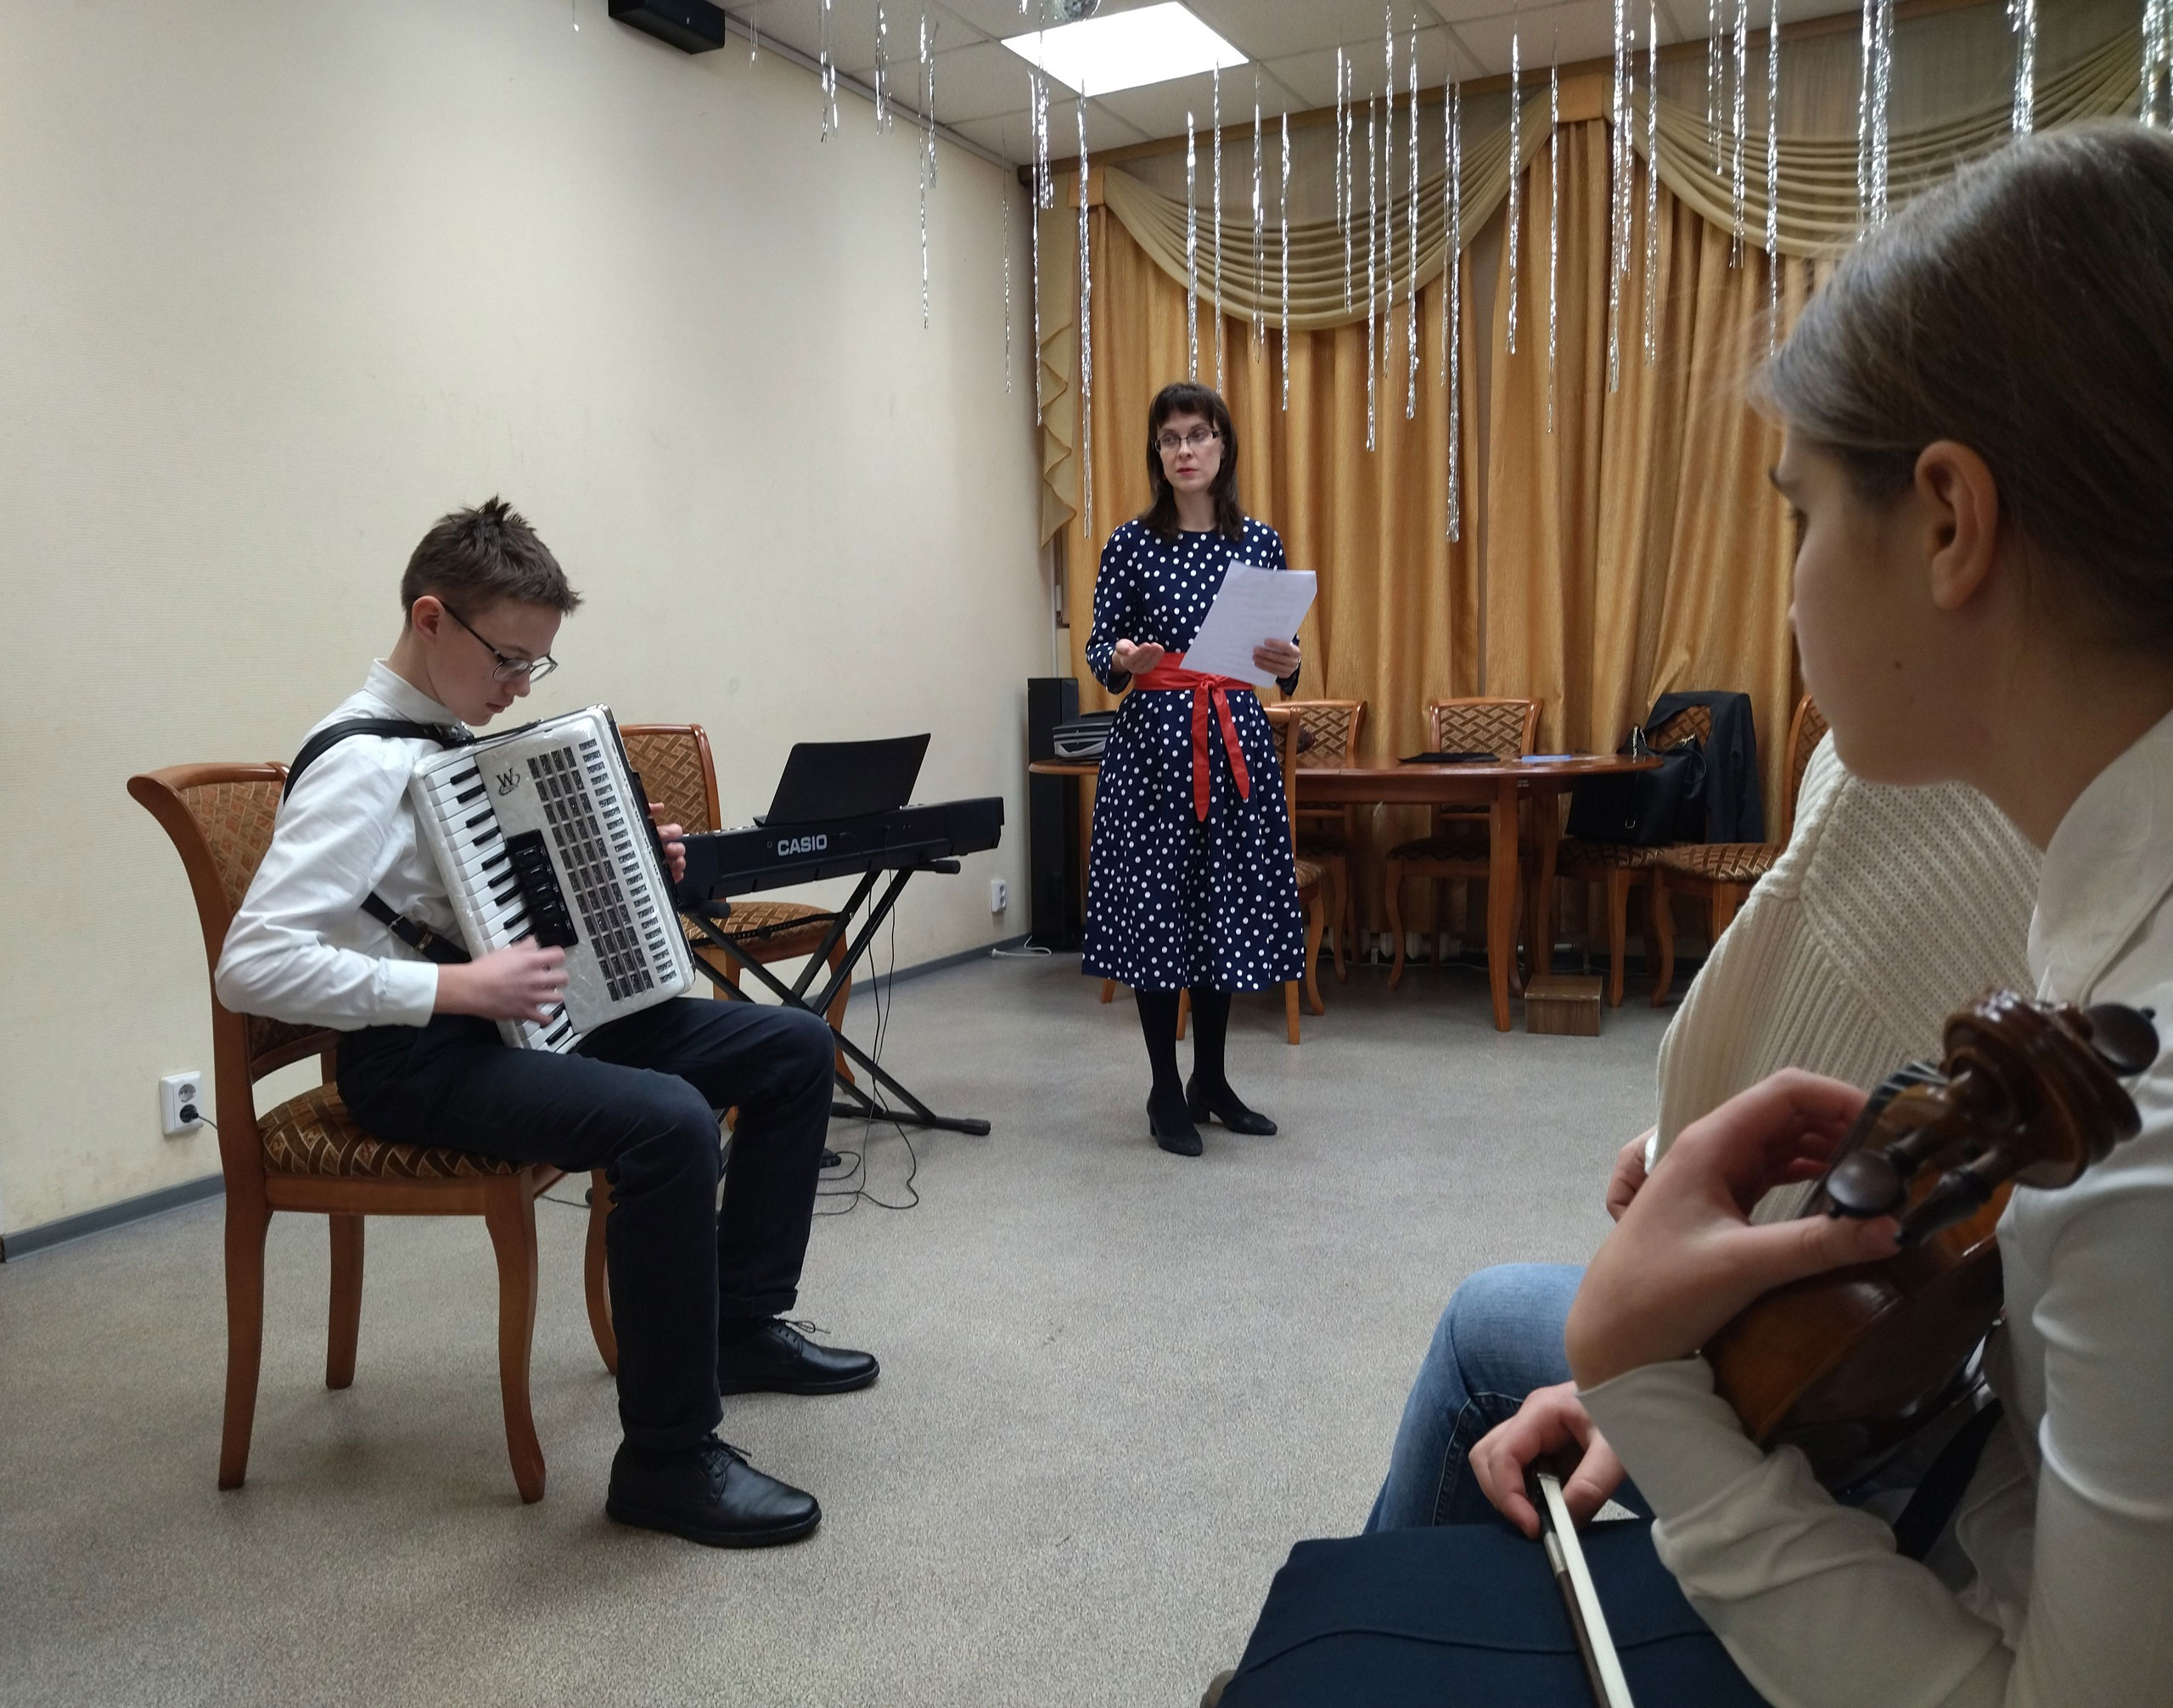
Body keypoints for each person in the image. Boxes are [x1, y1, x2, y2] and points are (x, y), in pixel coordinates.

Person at [1224, 121, 2173, 1705]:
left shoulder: (2147, 1145)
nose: (1793, 585)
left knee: (1498, 1330)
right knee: (1497, 1329)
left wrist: (1651, 1388)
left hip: (1963, 1592)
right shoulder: (2105, 923)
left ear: (1950, 522)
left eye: (1800, 515)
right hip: (1976, 1488)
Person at [216, 497, 877, 1549]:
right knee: (667, 1121)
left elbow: (505, 898)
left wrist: (638, 861)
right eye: (508, 659)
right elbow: (250, 965)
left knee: (793, 1046)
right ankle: (663, 1458)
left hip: (516, 1022)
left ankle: (739, 1325)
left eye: (537, 665)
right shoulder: (359, 765)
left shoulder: (449, 741)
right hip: (415, 1060)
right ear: (429, 618)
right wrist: (454, 991)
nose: (520, 687)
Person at [1082, 381, 1306, 1157]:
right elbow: (1099, 647)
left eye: (1199, 435)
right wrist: (1124, 657)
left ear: (1223, 445)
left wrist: (1290, 662)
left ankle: (1210, 1079)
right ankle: (1163, 1088)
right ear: (1157, 450)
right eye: (1171, 438)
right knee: (1157, 915)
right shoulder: (1129, 543)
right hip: (1151, 751)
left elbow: (1281, 658)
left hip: (1234, 743)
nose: (1186, 450)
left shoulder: (1260, 543)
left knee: (1219, 913)